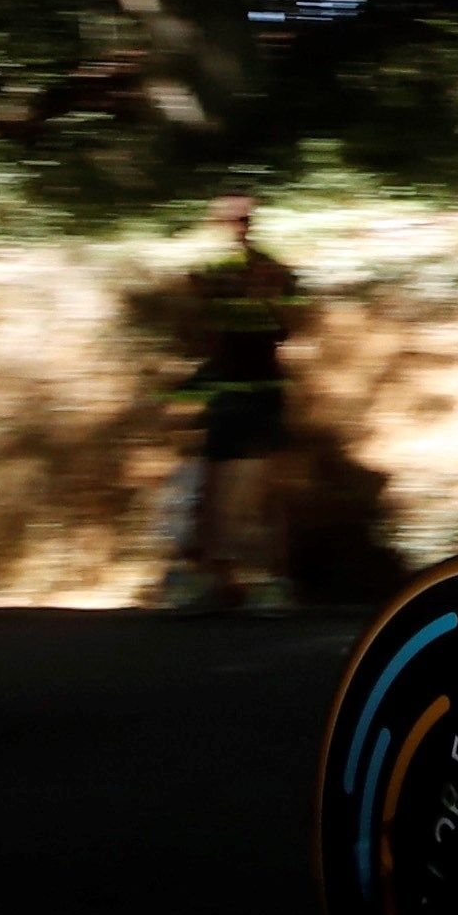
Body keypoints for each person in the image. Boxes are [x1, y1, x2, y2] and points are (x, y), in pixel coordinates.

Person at [161, 188, 299, 612]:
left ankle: (248, 578)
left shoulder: (256, 272)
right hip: (239, 388)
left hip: (249, 389)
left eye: (239, 218)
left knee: (239, 484)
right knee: (220, 483)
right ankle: (229, 576)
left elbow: (273, 328)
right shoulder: (254, 271)